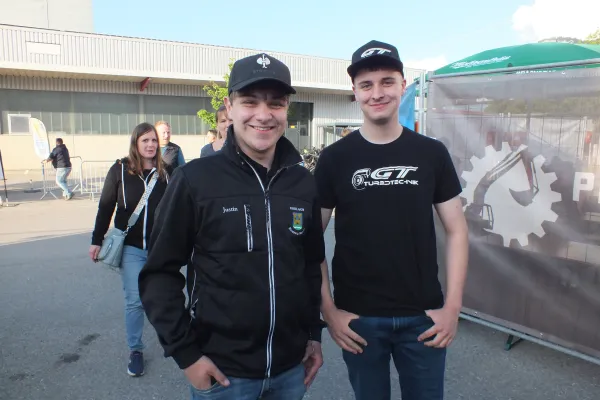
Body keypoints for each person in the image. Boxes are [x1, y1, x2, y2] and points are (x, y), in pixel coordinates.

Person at [139, 53, 326, 400]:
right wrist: (187, 355)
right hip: (223, 375)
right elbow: (159, 274)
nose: (263, 114)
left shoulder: (302, 183)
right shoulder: (194, 180)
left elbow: (310, 266)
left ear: (287, 109)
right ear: (229, 107)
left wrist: (314, 334)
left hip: (290, 370)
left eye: (276, 103)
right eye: (250, 101)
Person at [314, 40, 469, 400]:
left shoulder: (431, 153)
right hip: (358, 319)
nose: (377, 93)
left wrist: (452, 308)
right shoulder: (334, 159)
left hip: (424, 316)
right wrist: (329, 310)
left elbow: (458, 231)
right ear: (355, 91)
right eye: (366, 85)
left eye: (387, 81)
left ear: (403, 85)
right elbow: (310, 240)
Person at [88, 122, 169, 378]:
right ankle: (135, 350)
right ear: (135, 143)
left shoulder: (166, 173)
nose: (150, 145)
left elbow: (178, 209)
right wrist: (96, 239)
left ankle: (174, 340)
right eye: (145, 140)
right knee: (135, 300)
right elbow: (105, 206)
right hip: (132, 248)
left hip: (160, 249)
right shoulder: (120, 170)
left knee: (162, 297)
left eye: (154, 140)